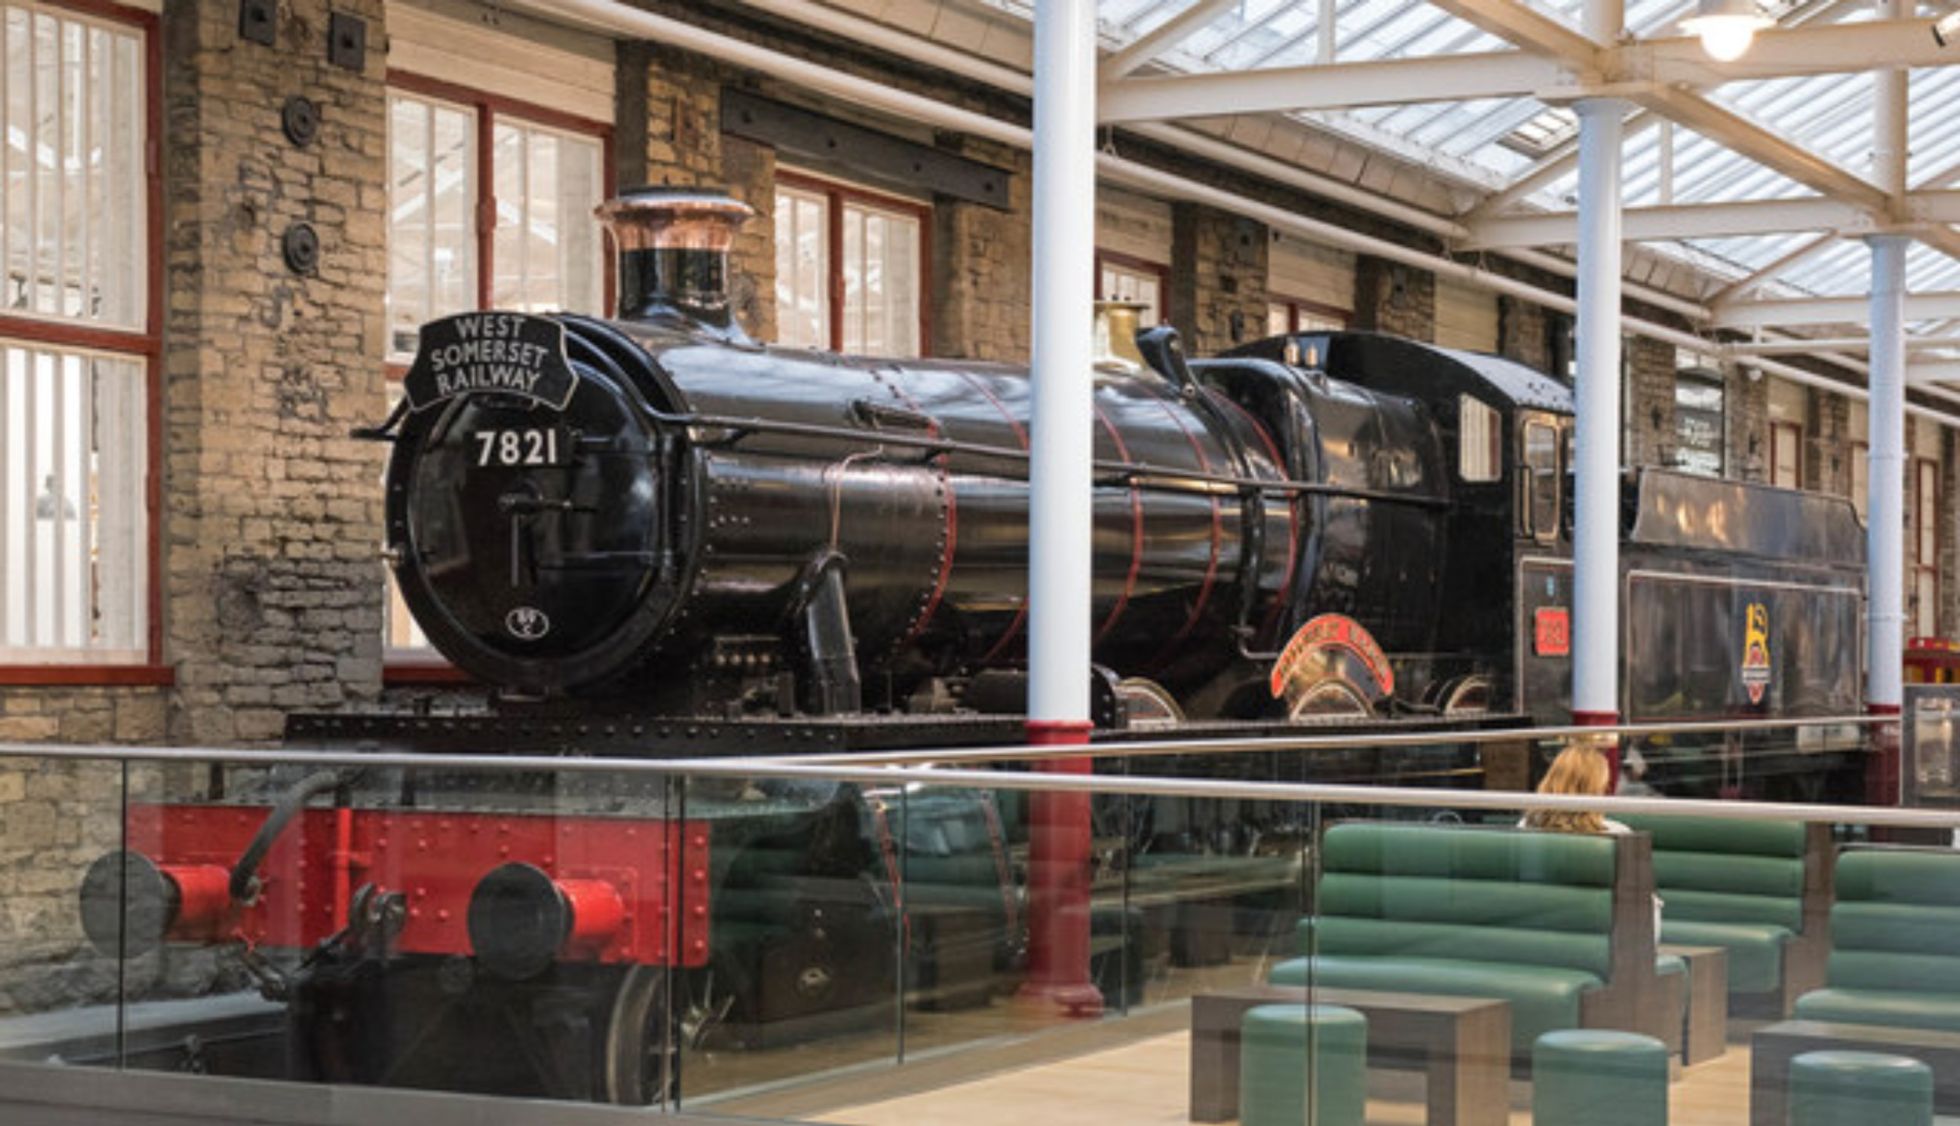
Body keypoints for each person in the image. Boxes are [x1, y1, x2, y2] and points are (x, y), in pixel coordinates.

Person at [1521, 744, 1663, 934]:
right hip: (1607, 949)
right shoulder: (1618, 837)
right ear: (1596, 788)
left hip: (1536, 938)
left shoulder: (1524, 830)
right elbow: (1644, 918)